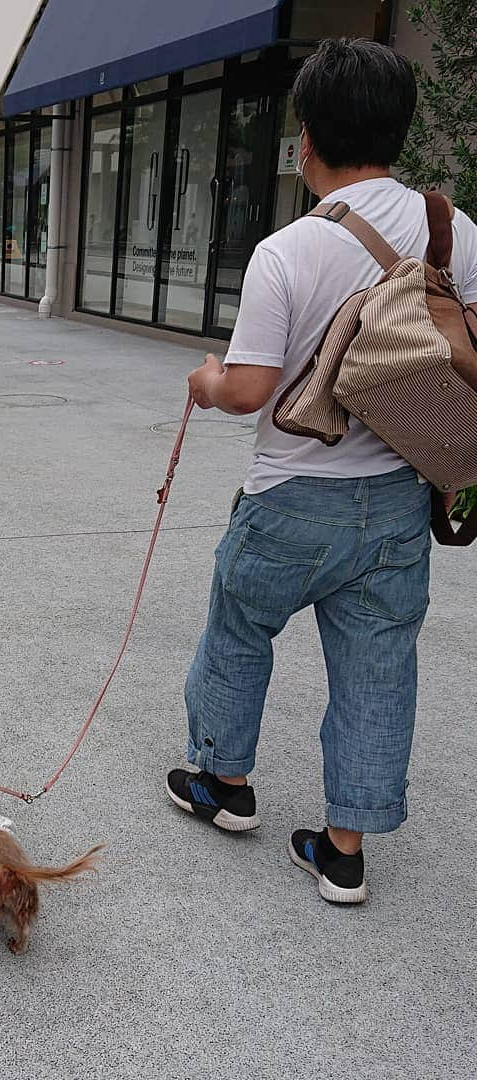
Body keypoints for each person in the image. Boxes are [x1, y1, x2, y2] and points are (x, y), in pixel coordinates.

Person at [165, 39, 477, 904]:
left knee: (237, 630)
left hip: (293, 496)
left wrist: (204, 379)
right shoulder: (454, 231)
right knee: (378, 666)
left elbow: (251, 388)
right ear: (398, 130)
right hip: (400, 502)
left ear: (306, 139)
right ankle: (343, 850)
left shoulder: (288, 251)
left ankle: (224, 786)